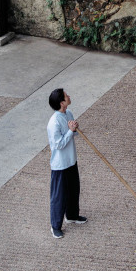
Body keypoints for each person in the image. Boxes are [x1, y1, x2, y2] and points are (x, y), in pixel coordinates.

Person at [47, 88, 87, 240]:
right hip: (60, 165)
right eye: (66, 96)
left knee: (74, 189)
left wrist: (74, 128)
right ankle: (55, 226)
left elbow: (72, 134)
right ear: (62, 103)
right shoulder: (53, 123)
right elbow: (58, 144)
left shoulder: (68, 114)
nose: (69, 96)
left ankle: (71, 215)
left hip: (71, 160)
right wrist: (70, 131)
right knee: (59, 196)